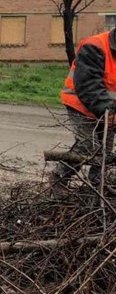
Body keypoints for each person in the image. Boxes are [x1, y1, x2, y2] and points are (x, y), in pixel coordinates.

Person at [50, 27, 116, 187]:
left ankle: (97, 186)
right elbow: (88, 85)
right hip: (80, 104)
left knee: (105, 151)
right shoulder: (94, 46)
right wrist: (108, 111)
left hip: (109, 109)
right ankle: (58, 178)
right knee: (88, 146)